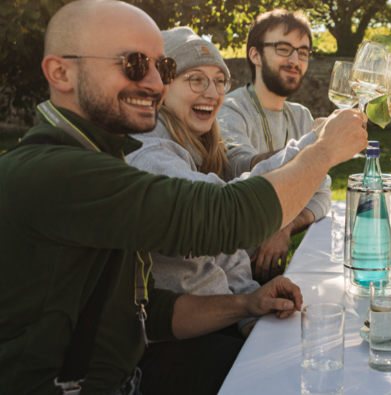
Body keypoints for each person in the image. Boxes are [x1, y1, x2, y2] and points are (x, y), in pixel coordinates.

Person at [0, 1, 367, 394]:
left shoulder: (104, 158)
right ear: (61, 73)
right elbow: (225, 217)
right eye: (133, 65)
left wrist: (246, 305)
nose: (155, 84)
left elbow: (146, 310)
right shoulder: (64, 172)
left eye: (163, 68)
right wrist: (324, 150)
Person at [125, 27, 327, 394]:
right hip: (160, 345)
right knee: (292, 376)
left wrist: (249, 306)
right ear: (162, 86)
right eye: (196, 79)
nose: (213, 92)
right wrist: (320, 146)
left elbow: (227, 252)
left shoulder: (193, 147)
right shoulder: (149, 154)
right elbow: (228, 210)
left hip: (216, 318)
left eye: (220, 81)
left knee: (311, 345)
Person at [218, 9, 327, 281]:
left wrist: (283, 228)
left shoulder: (301, 116)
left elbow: (322, 194)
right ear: (255, 55)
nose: (295, 60)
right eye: (283, 48)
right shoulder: (229, 108)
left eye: (303, 52)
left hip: (279, 275)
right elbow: (239, 167)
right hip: (227, 276)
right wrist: (317, 146)